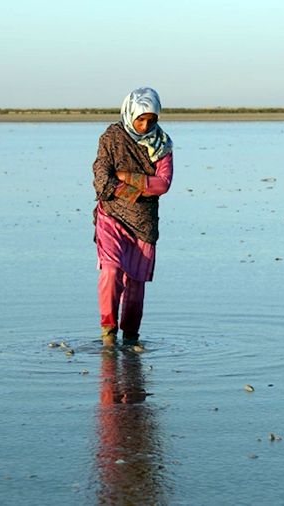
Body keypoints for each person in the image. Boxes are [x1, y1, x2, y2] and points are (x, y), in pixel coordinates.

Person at [92, 87, 174, 347]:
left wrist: (126, 176)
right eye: (140, 118)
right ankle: (108, 333)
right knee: (112, 271)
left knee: (136, 283)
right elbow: (102, 181)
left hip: (144, 223)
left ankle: (130, 337)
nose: (144, 125)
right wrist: (141, 190)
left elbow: (163, 184)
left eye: (151, 120)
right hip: (111, 215)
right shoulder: (111, 138)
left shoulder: (162, 145)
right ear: (130, 114)